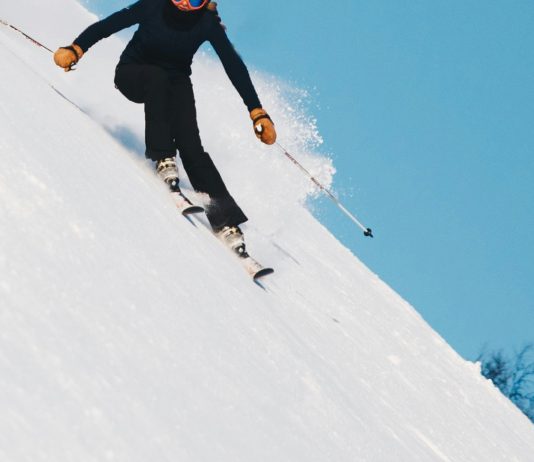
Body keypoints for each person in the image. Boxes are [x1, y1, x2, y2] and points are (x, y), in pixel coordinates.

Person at [53, 0, 276, 255]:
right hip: (132, 74)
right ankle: (163, 156)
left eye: (194, 0)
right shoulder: (154, 5)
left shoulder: (206, 23)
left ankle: (226, 221)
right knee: (157, 78)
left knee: (192, 145)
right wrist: (76, 48)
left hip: (175, 80)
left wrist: (257, 111)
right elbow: (109, 25)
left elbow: (233, 64)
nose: (183, 3)